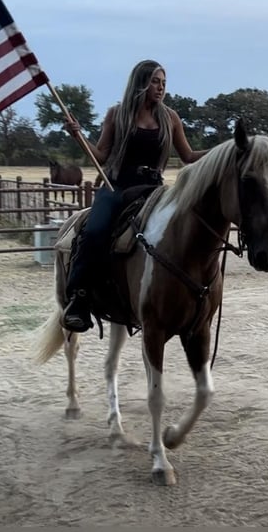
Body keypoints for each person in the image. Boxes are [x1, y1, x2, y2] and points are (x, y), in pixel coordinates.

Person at [61, 59, 209, 333]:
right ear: (140, 83)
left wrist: (224, 150)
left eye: (163, 82)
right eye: (155, 81)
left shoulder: (170, 118)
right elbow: (102, 155)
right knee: (94, 233)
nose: (161, 87)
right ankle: (78, 298)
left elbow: (188, 156)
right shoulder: (117, 115)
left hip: (154, 190)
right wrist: (78, 137)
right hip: (116, 187)